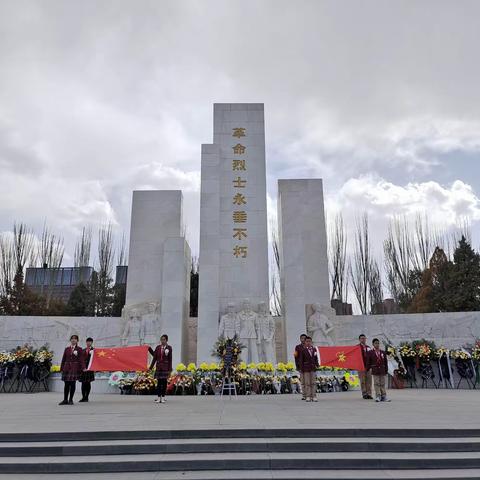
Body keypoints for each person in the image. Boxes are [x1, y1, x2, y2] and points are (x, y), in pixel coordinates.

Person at [59, 335, 84, 405]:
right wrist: (61, 368)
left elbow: (81, 359)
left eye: (75, 339)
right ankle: (65, 399)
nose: (73, 340)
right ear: (70, 340)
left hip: (74, 368)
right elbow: (63, 359)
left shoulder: (79, 349)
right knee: (66, 384)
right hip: (66, 368)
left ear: (77, 341)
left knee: (72, 384)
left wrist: (83, 367)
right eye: (72, 339)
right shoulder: (67, 349)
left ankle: (71, 399)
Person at [149, 334, 172, 404]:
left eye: (164, 339)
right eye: (161, 339)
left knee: (164, 383)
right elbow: (155, 358)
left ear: (167, 340)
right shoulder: (158, 347)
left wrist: (170, 369)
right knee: (159, 383)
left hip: (165, 367)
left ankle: (163, 397)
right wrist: (151, 367)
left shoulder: (169, 348)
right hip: (159, 367)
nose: (162, 341)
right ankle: (159, 397)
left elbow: (170, 359)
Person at [367, 338, 391, 402]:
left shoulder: (382, 352)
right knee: (376, 383)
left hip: (382, 370)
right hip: (375, 369)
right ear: (373, 344)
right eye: (375, 343)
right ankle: (378, 396)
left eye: (378, 343)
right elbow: (368, 362)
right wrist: (368, 369)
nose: (377, 344)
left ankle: (384, 396)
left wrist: (386, 370)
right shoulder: (370, 352)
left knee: (382, 383)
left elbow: (385, 362)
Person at [298, 336, 319, 402]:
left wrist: (317, 365)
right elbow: (301, 360)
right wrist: (301, 369)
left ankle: (314, 396)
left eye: (309, 341)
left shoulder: (314, 349)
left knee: (313, 383)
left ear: (311, 342)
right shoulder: (303, 350)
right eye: (307, 341)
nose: (308, 343)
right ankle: (308, 396)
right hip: (306, 369)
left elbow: (316, 359)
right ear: (305, 342)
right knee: (307, 383)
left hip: (313, 368)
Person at [79, 337, 95, 403]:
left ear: (92, 343)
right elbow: (80, 359)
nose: (89, 343)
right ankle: (83, 397)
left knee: (88, 383)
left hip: (90, 369)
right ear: (86, 342)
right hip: (83, 369)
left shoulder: (94, 350)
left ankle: (87, 397)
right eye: (87, 341)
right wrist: (82, 368)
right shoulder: (83, 350)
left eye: (90, 342)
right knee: (83, 383)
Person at [358, 334, 373, 400]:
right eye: (362, 338)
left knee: (369, 381)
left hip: (368, 367)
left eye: (364, 338)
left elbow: (371, 357)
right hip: (361, 366)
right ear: (359, 339)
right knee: (362, 381)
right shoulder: (357, 347)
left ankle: (369, 394)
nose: (363, 339)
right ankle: (364, 393)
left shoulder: (368, 347)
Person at [294, 334, 307, 400]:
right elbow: (295, 356)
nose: (303, 340)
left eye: (304, 338)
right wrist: (297, 366)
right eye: (302, 338)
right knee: (303, 381)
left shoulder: (309, 347)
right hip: (301, 366)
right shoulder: (297, 347)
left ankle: (309, 394)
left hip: (308, 366)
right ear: (300, 339)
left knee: (308, 381)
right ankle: (304, 395)